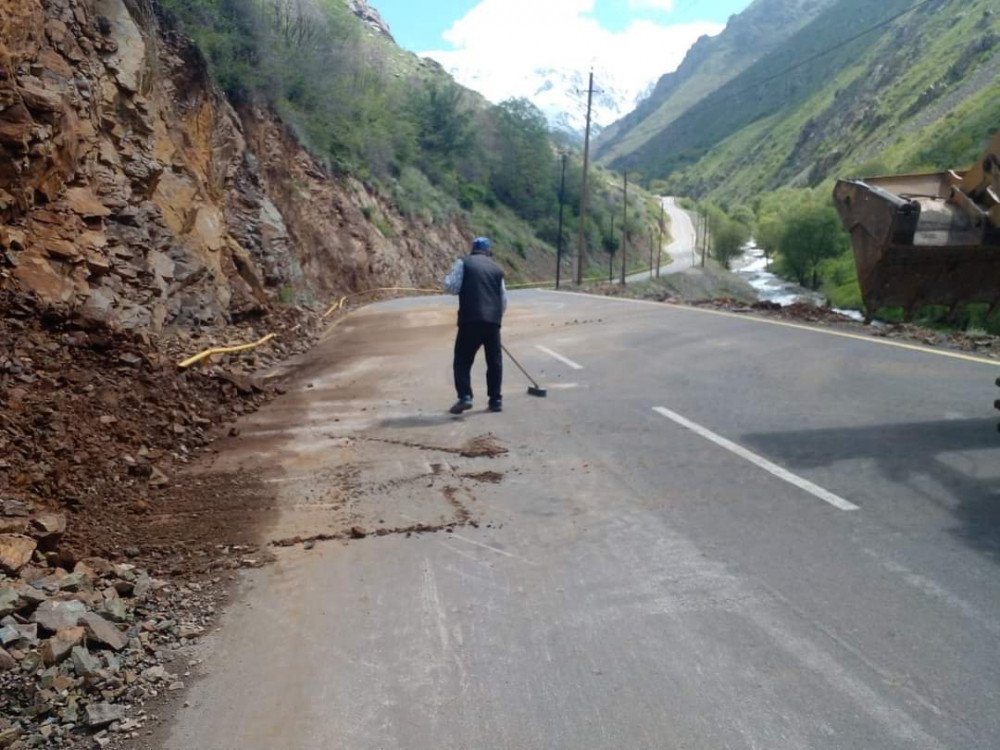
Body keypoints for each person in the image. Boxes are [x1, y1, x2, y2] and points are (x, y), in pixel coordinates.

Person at [444, 236, 508, 414]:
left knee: (462, 360)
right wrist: (494, 321)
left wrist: (447, 280)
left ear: (473, 249)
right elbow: (503, 299)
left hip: (470, 320)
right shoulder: (497, 269)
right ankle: (495, 400)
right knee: (494, 362)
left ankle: (465, 396)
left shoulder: (463, 263)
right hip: (492, 322)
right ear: (488, 251)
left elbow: (452, 287)